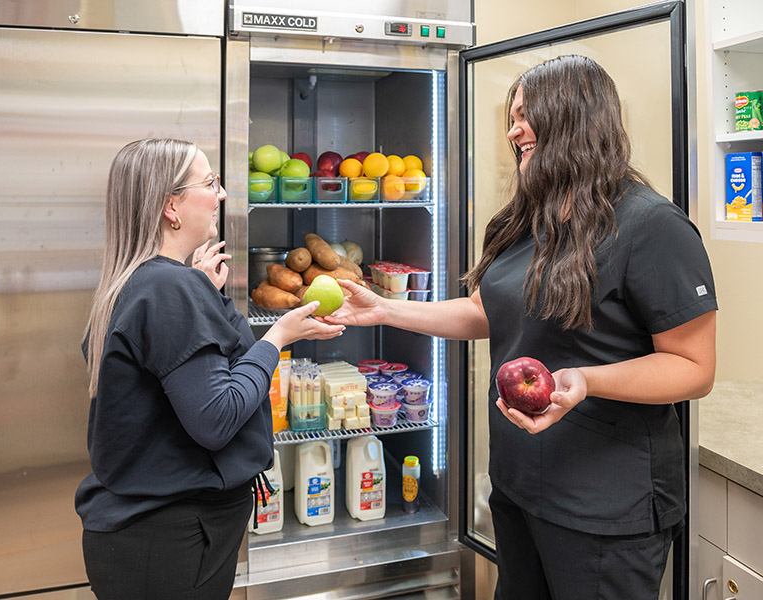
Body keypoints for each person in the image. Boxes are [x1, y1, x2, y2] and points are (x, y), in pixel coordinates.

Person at [324, 55, 717, 600]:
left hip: (603, 502)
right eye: (513, 117)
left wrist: (586, 380)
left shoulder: (652, 226)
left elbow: (694, 368)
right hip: (518, 483)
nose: (513, 131)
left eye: (526, 114)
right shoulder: (530, 218)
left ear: (574, 115)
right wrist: (384, 311)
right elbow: (487, 312)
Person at [75, 138, 345, 600]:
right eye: (210, 182)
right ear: (170, 207)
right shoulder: (168, 289)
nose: (221, 195)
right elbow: (217, 418)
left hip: (150, 534)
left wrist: (201, 287)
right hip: (167, 542)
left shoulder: (149, 279)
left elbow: (180, 370)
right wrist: (278, 338)